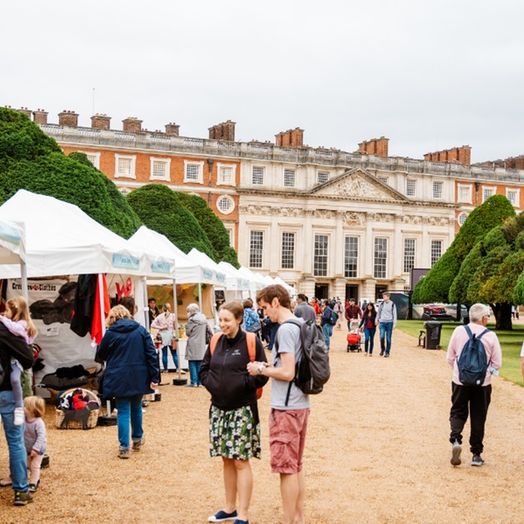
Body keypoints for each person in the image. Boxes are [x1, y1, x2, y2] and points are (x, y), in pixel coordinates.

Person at [200, 301, 268, 524]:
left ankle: (243, 514)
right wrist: (212, 384)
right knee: (226, 459)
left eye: (227, 320)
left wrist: (242, 383)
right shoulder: (215, 341)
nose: (222, 324)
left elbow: (263, 373)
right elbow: (204, 369)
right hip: (219, 409)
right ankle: (229, 508)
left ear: (239, 320)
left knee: (240, 461)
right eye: (220, 320)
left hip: (242, 410)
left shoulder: (251, 341)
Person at [248, 284, 310, 524]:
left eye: (264, 307)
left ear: (275, 302)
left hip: (286, 406)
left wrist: (261, 368)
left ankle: (288, 520)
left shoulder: (285, 330)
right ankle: (297, 516)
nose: (264, 313)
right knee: (296, 465)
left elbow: (287, 371)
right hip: (301, 403)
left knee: (286, 468)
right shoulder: (301, 324)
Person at [96, 304, 159, 459]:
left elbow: (100, 354)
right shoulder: (140, 330)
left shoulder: (111, 333)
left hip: (118, 375)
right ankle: (137, 439)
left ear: (112, 317)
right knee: (136, 407)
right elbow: (151, 354)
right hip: (139, 375)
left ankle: (124, 447)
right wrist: (154, 376)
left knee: (123, 410)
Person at [446, 303, 502, 467]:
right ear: (484, 318)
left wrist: (460, 372)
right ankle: (476, 454)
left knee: (457, 410)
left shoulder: (458, 331)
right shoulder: (490, 336)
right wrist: (486, 373)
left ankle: (456, 438)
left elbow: (450, 357)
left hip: (460, 381)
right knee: (479, 416)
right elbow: (497, 364)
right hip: (482, 384)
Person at [0, 314, 34, 506]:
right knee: (15, 442)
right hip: (6, 392)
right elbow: (28, 359)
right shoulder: (5, 329)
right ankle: (21, 490)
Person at [0, 297, 37, 426]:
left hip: (18, 361)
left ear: (16, 311)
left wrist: (2, 319)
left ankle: (20, 408)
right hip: (13, 359)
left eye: (7, 310)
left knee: (17, 380)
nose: (5, 313)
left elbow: (14, 329)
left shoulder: (21, 324)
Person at [185, 303, 210, 387]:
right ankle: (200, 382)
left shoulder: (191, 320)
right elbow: (209, 331)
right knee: (200, 362)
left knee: (192, 362)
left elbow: (188, 333)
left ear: (191, 311)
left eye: (188, 311)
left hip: (192, 342)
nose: (187, 312)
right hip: (201, 343)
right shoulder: (204, 319)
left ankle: (193, 382)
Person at [151, 303, 179, 373]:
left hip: (163, 335)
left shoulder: (160, 316)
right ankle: (178, 368)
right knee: (174, 353)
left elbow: (152, 325)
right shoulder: (173, 316)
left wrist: (161, 327)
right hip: (171, 335)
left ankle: (166, 369)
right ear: (169, 308)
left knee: (164, 353)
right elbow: (176, 326)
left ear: (163, 308)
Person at [376, 292, 396, 357]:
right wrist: (377, 320)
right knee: (381, 337)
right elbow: (378, 313)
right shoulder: (381, 304)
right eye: (383, 297)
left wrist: (394, 324)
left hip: (389, 323)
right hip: (382, 323)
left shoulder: (392, 304)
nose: (383, 298)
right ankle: (382, 349)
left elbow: (395, 315)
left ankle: (387, 352)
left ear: (388, 297)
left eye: (384, 297)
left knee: (388, 339)